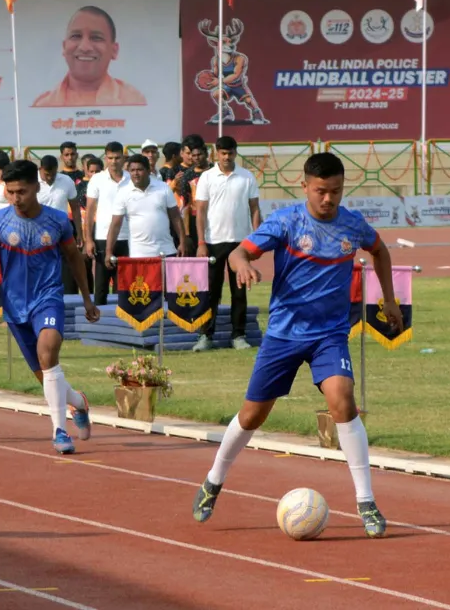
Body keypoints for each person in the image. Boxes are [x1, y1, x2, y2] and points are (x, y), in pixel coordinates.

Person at [191, 152, 400, 539]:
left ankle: (366, 501)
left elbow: (381, 250)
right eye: (321, 191)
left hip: (329, 335)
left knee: (343, 399)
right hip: (284, 335)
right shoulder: (286, 222)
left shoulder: (352, 225)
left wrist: (387, 299)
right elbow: (239, 251)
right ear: (304, 186)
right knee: (252, 416)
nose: (328, 199)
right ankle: (213, 480)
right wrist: (242, 266)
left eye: (336, 191)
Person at [0, 159, 100, 454]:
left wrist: (87, 298)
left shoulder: (58, 221)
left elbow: (74, 258)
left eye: (21, 191)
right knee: (46, 374)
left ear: (36, 187)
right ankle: (77, 402)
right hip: (14, 305)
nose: (16, 198)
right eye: (10, 192)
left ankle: (60, 432)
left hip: (48, 298)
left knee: (48, 352)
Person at [192, 135, 261, 352]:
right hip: (213, 242)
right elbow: (200, 212)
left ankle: (238, 335)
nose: (227, 157)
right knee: (211, 291)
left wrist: (257, 239)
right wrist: (201, 242)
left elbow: (255, 209)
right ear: (216, 153)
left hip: (240, 244)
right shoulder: (207, 177)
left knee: (239, 291)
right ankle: (205, 335)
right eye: (223, 153)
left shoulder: (246, 176)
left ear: (235, 153)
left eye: (230, 153)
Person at [31, 6, 147, 108]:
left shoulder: (133, 101)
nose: (84, 47)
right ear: (64, 47)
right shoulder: (43, 105)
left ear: (114, 50)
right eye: (76, 36)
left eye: (96, 38)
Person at [103, 155, 187, 266]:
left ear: (148, 171)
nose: (135, 173)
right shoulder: (123, 192)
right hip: (138, 254)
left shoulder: (163, 188)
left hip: (166, 250)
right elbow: (115, 225)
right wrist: (108, 252)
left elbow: (175, 217)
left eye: (139, 169)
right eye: (132, 170)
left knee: (166, 284)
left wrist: (182, 242)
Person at [84, 142, 130, 305]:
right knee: (101, 286)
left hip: (129, 237)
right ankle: (99, 325)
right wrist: (88, 239)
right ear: (106, 158)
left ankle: (123, 325)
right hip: (102, 236)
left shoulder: (131, 178)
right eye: (110, 158)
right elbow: (89, 212)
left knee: (124, 285)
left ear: (123, 158)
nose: (114, 161)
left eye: (117, 157)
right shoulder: (97, 179)